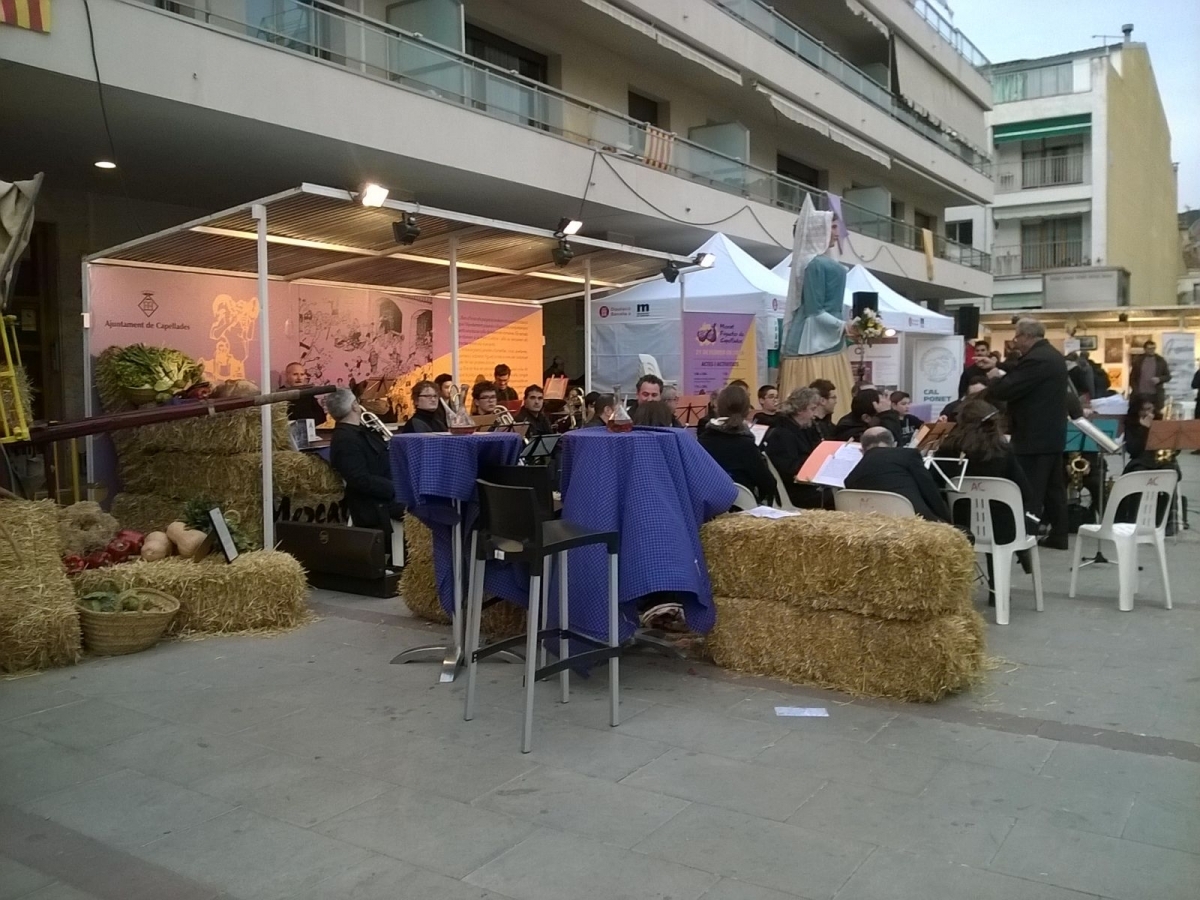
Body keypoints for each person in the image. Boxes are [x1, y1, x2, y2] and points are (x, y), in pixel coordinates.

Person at [985, 317, 1070, 549]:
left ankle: (1026, 535)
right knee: (1054, 489)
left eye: (1017, 337)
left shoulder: (1036, 359)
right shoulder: (1051, 356)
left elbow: (1008, 389)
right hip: (1051, 433)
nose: (1016, 342)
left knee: (1031, 487)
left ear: (1028, 336)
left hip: (1035, 435)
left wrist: (994, 379)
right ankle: (1060, 535)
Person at [327, 388, 404, 537]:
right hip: (379, 502)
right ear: (355, 406)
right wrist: (394, 488)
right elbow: (359, 479)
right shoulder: (345, 439)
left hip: (386, 492)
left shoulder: (357, 431)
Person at [843, 427, 950, 523]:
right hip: (916, 522)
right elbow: (929, 490)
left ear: (862, 450)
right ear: (894, 445)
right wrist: (947, 520)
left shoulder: (850, 477)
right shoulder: (908, 455)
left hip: (876, 528)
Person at [697, 384, 776, 504]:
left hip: (710, 506)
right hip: (744, 507)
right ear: (747, 410)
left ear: (718, 408)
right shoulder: (746, 444)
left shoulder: (702, 441)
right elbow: (768, 483)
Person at [763, 387, 826, 509]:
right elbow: (789, 469)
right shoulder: (782, 434)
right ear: (799, 410)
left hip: (807, 485)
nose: (814, 415)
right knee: (835, 497)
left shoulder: (804, 428)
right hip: (795, 491)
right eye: (812, 409)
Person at [1129, 340, 1171, 415]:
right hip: (1140, 394)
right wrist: (1136, 390)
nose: (1152, 350)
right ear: (1145, 349)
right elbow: (1132, 377)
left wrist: (1159, 379)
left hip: (1155, 395)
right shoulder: (1138, 360)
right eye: (1150, 348)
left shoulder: (1160, 361)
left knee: (1155, 416)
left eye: (1153, 348)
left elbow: (1168, 376)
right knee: (1138, 416)